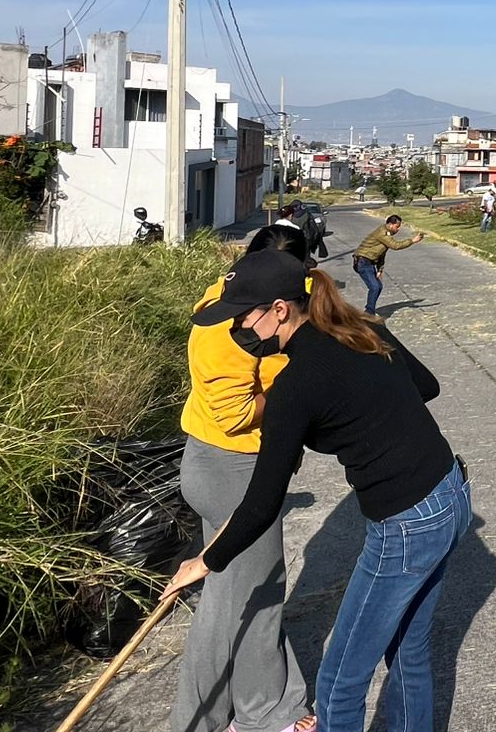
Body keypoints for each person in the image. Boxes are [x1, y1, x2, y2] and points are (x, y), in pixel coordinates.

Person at [163, 250, 470, 732]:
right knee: (408, 650)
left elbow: (262, 503)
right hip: (451, 493)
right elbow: (426, 386)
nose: (238, 330)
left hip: (406, 526)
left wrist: (205, 561)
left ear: (279, 310)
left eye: (243, 319)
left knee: (339, 683)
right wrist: (367, 410)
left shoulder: (294, 387)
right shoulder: (362, 329)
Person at [173, 226, 313, 732]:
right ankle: (244, 717)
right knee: (246, 599)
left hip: (221, 464)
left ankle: (250, 708)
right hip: (231, 469)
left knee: (241, 594)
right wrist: (296, 390)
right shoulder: (226, 328)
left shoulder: (245, 295)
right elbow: (234, 415)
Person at [350, 214, 424, 316]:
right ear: (390, 224)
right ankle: (369, 313)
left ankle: (369, 310)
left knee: (378, 286)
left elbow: (381, 253)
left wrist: (380, 269)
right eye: (397, 226)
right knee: (375, 287)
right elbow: (395, 246)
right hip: (362, 261)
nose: (398, 229)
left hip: (369, 262)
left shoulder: (386, 234)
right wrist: (412, 241)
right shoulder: (382, 233)